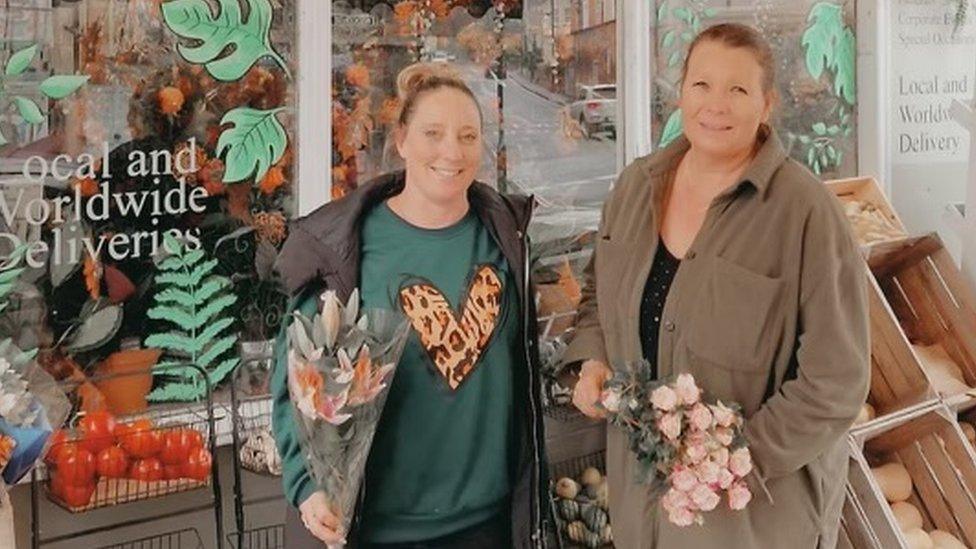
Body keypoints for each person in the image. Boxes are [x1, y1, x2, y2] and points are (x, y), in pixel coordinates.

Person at [565, 23, 869, 548]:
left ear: (767, 104)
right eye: (702, 85)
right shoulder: (636, 187)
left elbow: (836, 381)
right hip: (641, 514)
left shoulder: (804, 213)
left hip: (744, 524)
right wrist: (592, 359)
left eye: (738, 90)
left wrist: (734, 460)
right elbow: (598, 296)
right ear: (681, 92)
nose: (716, 105)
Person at [271, 62, 550, 548]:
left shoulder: (505, 238)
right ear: (401, 141)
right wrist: (307, 484)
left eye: (468, 136)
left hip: (487, 524)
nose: (452, 151)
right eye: (433, 133)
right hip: (378, 528)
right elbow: (294, 378)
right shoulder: (346, 245)